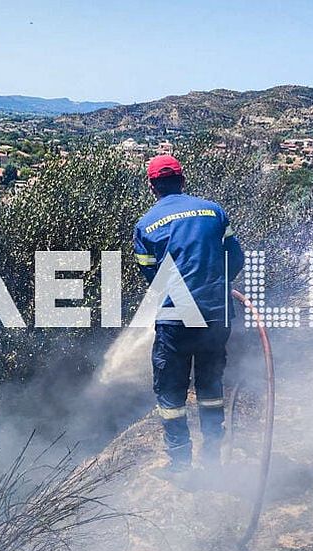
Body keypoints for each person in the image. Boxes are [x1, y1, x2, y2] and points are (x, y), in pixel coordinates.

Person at [133, 154, 244, 474]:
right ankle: (212, 457)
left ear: (152, 186)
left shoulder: (146, 225)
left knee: (170, 389)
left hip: (176, 319)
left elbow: (153, 278)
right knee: (210, 385)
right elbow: (235, 259)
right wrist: (216, 284)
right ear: (183, 179)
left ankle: (180, 462)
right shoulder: (214, 211)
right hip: (216, 313)